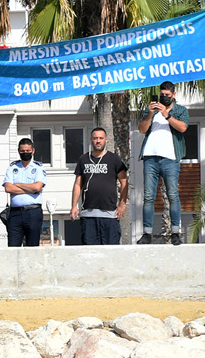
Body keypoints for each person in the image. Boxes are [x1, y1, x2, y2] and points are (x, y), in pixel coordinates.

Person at [137, 81, 189, 245]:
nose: (164, 97)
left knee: (173, 195)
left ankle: (175, 232)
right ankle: (147, 233)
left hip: (170, 158)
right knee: (148, 197)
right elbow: (142, 129)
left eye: (167, 95)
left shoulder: (180, 110)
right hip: (150, 157)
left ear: (173, 95)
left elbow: (182, 128)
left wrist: (167, 114)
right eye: (162, 95)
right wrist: (151, 114)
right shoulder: (151, 109)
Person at [71, 127, 129, 247]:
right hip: (88, 215)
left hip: (109, 215)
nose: (98, 141)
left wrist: (122, 204)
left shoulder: (114, 159)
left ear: (105, 140)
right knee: (90, 252)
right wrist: (74, 206)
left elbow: (124, 181)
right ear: (91, 140)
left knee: (111, 252)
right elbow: (78, 184)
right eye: (95, 138)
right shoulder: (83, 159)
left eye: (101, 138)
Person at [4, 137, 47, 248]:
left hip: (33, 212)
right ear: (19, 151)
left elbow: (37, 187)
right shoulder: (12, 167)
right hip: (15, 213)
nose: (25, 153)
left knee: (32, 248)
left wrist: (17, 184)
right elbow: (8, 188)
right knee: (13, 248)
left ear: (33, 151)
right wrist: (30, 189)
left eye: (28, 151)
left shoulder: (38, 168)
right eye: (22, 151)